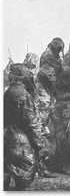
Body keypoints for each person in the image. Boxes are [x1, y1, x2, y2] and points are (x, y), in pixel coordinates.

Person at [4, 63, 43, 191]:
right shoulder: (23, 95)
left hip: (6, 136)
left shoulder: (8, 92)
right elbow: (31, 122)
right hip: (21, 141)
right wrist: (38, 143)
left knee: (7, 170)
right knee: (24, 177)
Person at [34, 64, 58, 177]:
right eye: (50, 75)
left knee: (49, 144)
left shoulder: (49, 88)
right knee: (41, 144)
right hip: (39, 120)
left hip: (47, 118)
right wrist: (39, 121)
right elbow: (34, 106)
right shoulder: (37, 88)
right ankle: (41, 169)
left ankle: (44, 167)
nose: (53, 77)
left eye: (53, 75)